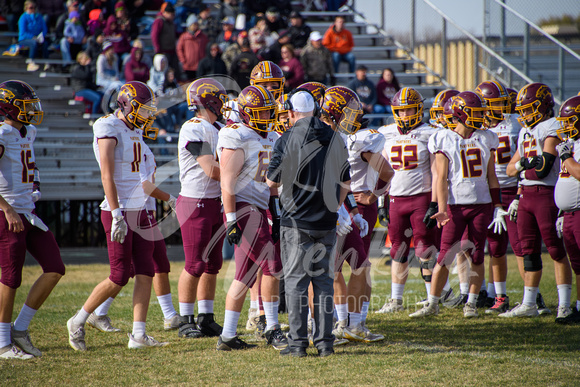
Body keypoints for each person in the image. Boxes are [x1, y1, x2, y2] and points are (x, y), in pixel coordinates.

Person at [67, 81, 168, 351]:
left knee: (146, 270)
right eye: (144, 109)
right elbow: (107, 175)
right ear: (127, 105)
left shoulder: (133, 129)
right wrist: (116, 213)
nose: (149, 114)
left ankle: (138, 335)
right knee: (119, 275)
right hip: (119, 209)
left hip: (139, 208)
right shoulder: (108, 126)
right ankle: (78, 320)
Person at [265, 90, 351, 357]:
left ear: (291, 113)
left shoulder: (286, 138)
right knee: (324, 282)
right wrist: (335, 205)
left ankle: (298, 344)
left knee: (296, 284)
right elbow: (347, 181)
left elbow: (271, 182)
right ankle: (325, 344)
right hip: (326, 220)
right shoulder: (335, 138)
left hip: (296, 222)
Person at [411, 91, 507, 319]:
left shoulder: (487, 137)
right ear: (461, 114)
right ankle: (433, 303)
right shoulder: (444, 137)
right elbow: (441, 178)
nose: (480, 116)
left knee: (476, 255)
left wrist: (497, 205)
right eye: (475, 112)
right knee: (445, 256)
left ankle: (471, 304)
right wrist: (441, 208)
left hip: (481, 204)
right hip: (455, 205)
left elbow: (492, 176)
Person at [215, 85, 286, 351]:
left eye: (269, 111)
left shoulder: (271, 136)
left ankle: (228, 335)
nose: (267, 116)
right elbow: (227, 182)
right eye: (261, 112)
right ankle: (272, 328)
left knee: (244, 274)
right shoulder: (236, 134)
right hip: (244, 208)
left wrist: (275, 213)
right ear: (245, 113)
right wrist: (231, 218)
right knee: (271, 264)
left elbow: (272, 183)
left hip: (259, 207)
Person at [320, 86, 392, 343]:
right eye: (348, 111)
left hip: (353, 205)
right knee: (341, 267)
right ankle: (346, 323)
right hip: (343, 205)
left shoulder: (355, 139)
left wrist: (372, 196)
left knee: (347, 266)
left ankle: (350, 322)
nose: (354, 115)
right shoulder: (338, 138)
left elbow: (386, 173)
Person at [0, 80, 65, 359]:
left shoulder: (29, 132)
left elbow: (30, 164)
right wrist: (6, 208)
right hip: (9, 213)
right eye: (26, 105)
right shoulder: (2, 134)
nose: (32, 111)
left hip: (28, 211)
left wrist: (35, 184)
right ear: (8, 107)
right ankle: (2, 342)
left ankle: (20, 328)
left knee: (55, 267)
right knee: (11, 277)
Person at [376, 88, 452, 314]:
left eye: (409, 109)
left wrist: (434, 203)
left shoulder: (431, 132)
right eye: (401, 110)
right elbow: (382, 171)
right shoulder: (385, 133)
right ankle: (395, 300)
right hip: (396, 199)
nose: (405, 114)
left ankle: (432, 300)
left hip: (421, 197)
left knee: (425, 249)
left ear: (419, 109)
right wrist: (382, 202)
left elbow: (437, 171)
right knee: (397, 250)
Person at [501, 83, 573, 320]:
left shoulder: (550, 126)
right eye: (521, 110)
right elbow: (511, 168)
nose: (524, 115)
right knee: (528, 251)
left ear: (543, 106)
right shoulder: (525, 132)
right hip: (526, 196)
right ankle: (529, 303)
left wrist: (525, 167)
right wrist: (524, 166)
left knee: (555, 250)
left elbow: (543, 168)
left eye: (529, 109)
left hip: (545, 194)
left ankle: (564, 304)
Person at [175, 78, 229, 339]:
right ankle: (185, 319)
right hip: (195, 202)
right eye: (219, 98)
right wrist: (245, 175)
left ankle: (206, 317)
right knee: (194, 264)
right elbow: (210, 168)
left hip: (214, 201)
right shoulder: (193, 128)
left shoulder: (218, 126)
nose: (223, 103)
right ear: (207, 100)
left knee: (213, 264)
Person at [475, 80, 524, 314]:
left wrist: (519, 191)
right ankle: (499, 295)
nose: (503, 106)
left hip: (513, 188)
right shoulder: (476, 128)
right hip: (488, 192)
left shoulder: (515, 123)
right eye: (496, 103)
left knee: (520, 245)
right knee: (494, 246)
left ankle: (531, 297)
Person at [554, 96, 580, 324]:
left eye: (570, 120)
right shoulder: (574, 143)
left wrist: (566, 156)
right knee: (578, 264)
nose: (566, 125)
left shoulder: (572, 148)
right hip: (571, 214)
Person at [151, 2, 180, 81]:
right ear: (166, 13)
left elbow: (174, 34)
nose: (173, 16)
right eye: (171, 14)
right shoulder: (159, 21)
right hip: (163, 52)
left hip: (172, 51)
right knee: (164, 73)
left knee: (174, 72)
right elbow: (154, 35)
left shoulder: (172, 23)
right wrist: (158, 49)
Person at [18, 0, 50, 72]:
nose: (33, 9)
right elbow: (23, 32)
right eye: (31, 8)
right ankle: (30, 62)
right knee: (33, 43)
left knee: (44, 43)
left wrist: (41, 36)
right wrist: (33, 37)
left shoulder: (39, 17)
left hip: (37, 38)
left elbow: (44, 29)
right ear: (26, 8)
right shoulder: (23, 18)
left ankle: (46, 62)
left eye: (34, 7)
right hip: (24, 39)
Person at [177, 14, 209, 81]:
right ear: (189, 26)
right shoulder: (184, 36)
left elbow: (207, 48)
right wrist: (183, 60)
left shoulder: (203, 36)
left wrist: (204, 60)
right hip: (188, 66)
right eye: (193, 24)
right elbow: (179, 49)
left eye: (196, 24)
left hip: (200, 65)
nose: (195, 26)